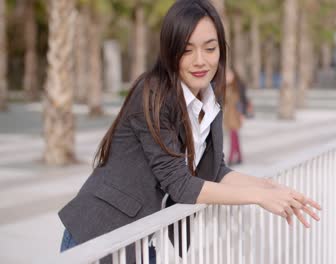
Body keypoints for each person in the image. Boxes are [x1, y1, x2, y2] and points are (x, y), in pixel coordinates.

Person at [58, 1, 321, 263]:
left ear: (221, 49)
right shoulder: (152, 95)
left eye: (210, 48)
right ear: (170, 52)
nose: (200, 61)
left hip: (139, 238)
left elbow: (215, 171)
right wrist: (258, 196)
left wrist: (268, 187)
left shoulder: (209, 99)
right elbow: (180, 184)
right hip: (98, 233)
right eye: (186, 50)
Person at [224, 68, 244, 165]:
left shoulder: (236, 87)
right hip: (228, 116)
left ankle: (231, 157)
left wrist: (241, 115)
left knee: (233, 137)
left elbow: (239, 102)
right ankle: (239, 156)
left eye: (229, 75)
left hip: (235, 115)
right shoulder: (226, 87)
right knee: (235, 137)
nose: (227, 77)